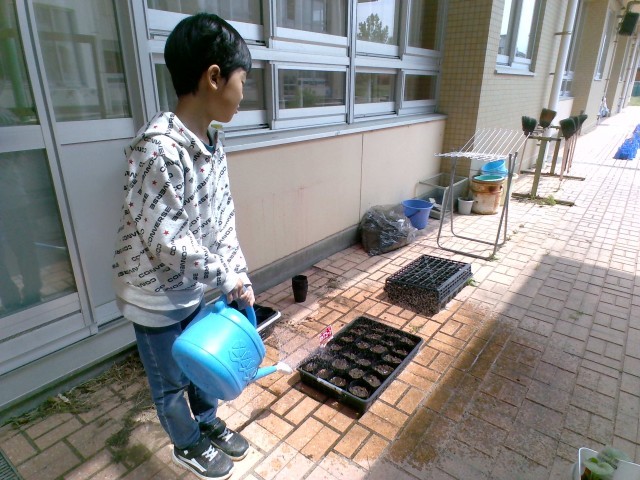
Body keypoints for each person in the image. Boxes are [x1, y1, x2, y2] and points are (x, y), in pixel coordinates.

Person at [112, 13, 254, 480]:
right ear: (214, 77)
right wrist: (223, 275)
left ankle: (207, 422)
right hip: (154, 297)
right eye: (242, 81)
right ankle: (187, 442)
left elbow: (224, 220)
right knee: (171, 381)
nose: (243, 94)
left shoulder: (212, 144)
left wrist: (237, 272)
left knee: (202, 362)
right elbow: (168, 241)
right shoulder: (157, 149)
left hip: (194, 287)